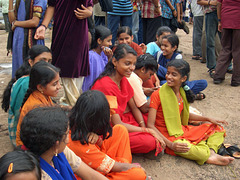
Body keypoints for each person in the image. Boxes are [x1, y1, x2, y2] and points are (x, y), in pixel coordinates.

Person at [147, 59, 235, 166]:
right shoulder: (158, 94)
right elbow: (150, 125)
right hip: (167, 136)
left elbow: (186, 116)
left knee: (218, 128)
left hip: (181, 130)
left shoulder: (182, 92)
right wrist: (170, 145)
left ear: (183, 78)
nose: (168, 77)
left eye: (173, 74)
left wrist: (208, 119)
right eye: (168, 73)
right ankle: (206, 152)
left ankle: (211, 152)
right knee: (194, 151)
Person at [92, 44, 164, 154]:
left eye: (134, 64)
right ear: (115, 62)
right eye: (127, 63)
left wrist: (143, 126)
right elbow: (117, 124)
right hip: (110, 129)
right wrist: (146, 131)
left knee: (154, 118)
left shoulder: (123, 79)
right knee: (149, 141)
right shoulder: (105, 85)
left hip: (124, 119)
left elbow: (134, 107)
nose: (132, 68)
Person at [68, 90, 147, 179]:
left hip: (98, 162)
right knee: (138, 174)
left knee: (120, 130)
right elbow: (109, 165)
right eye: (108, 114)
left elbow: (99, 147)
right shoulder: (79, 145)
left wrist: (97, 139)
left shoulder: (78, 123)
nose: (110, 116)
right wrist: (132, 167)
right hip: (93, 175)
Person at [20, 106, 108, 180]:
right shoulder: (36, 175)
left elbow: (91, 175)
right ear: (56, 145)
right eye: (66, 135)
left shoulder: (58, 151)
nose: (68, 140)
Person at [34, 0, 93, 107]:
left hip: (78, 31)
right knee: (64, 66)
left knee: (77, 67)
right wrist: (43, 26)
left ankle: (73, 104)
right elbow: (51, 6)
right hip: (61, 30)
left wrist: (89, 12)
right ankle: (73, 105)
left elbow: (89, 5)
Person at [1, 45, 52, 146]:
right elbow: (23, 117)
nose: (46, 65)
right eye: (42, 60)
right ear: (31, 62)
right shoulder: (26, 84)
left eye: (49, 61)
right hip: (23, 138)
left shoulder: (36, 79)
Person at [15, 61, 61, 146]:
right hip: (32, 147)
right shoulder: (36, 106)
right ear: (40, 87)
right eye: (55, 84)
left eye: (58, 82)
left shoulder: (44, 95)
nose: (59, 86)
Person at [156, 34, 207, 99]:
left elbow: (177, 74)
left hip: (177, 82)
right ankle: (186, 94)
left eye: (166, 46)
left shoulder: (177, 57)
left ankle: (182, 94)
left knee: (203, 83)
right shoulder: (159, 54)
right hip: (165, 81)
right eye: (162, 45)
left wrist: (159, 67)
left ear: (174, 48)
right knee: (163, 83)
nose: (163, 48)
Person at [8, 0, 47, 77]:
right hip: (19, 39)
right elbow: (12, 20)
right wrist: (10, 2)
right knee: (19, 68)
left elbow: (34, 22)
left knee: (31, 69)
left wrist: (16, 23)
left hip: (31, 38)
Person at [213, 0, 240, 87]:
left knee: (225, 49)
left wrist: (220, 20)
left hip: (226, 18)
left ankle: (218, 76)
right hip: (238, 19)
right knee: (237, 51)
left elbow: (218, 4)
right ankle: (236, 79)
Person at [82, 25, 112, 92]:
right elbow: (90, 80)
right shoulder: (92, 57)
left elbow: (108, 72)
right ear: (99, 41)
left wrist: (109, 57)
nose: (110, 44)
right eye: (108, 41)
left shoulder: (103, 54)